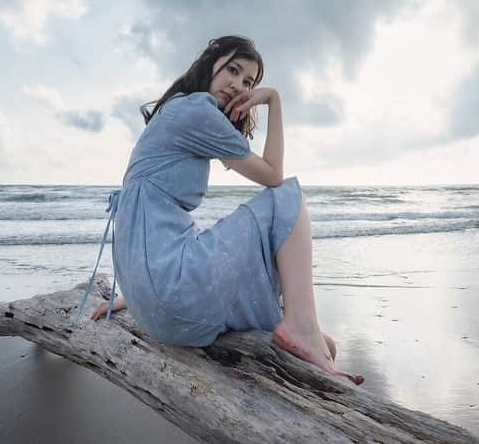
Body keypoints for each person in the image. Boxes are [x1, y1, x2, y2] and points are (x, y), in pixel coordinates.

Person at [80, 35, 362, 385]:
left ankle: (304, 331)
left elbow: (144, 225)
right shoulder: (197, 109)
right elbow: (274, 177)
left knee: (328, 345)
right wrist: (273, 99)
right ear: (209, 61)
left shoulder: (176, 110)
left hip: (153, 299)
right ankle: (300, 325)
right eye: (233, 69)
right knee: (289, 197)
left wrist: (135, 297)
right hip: (169, 293)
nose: (238, 85)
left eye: (249, 82)